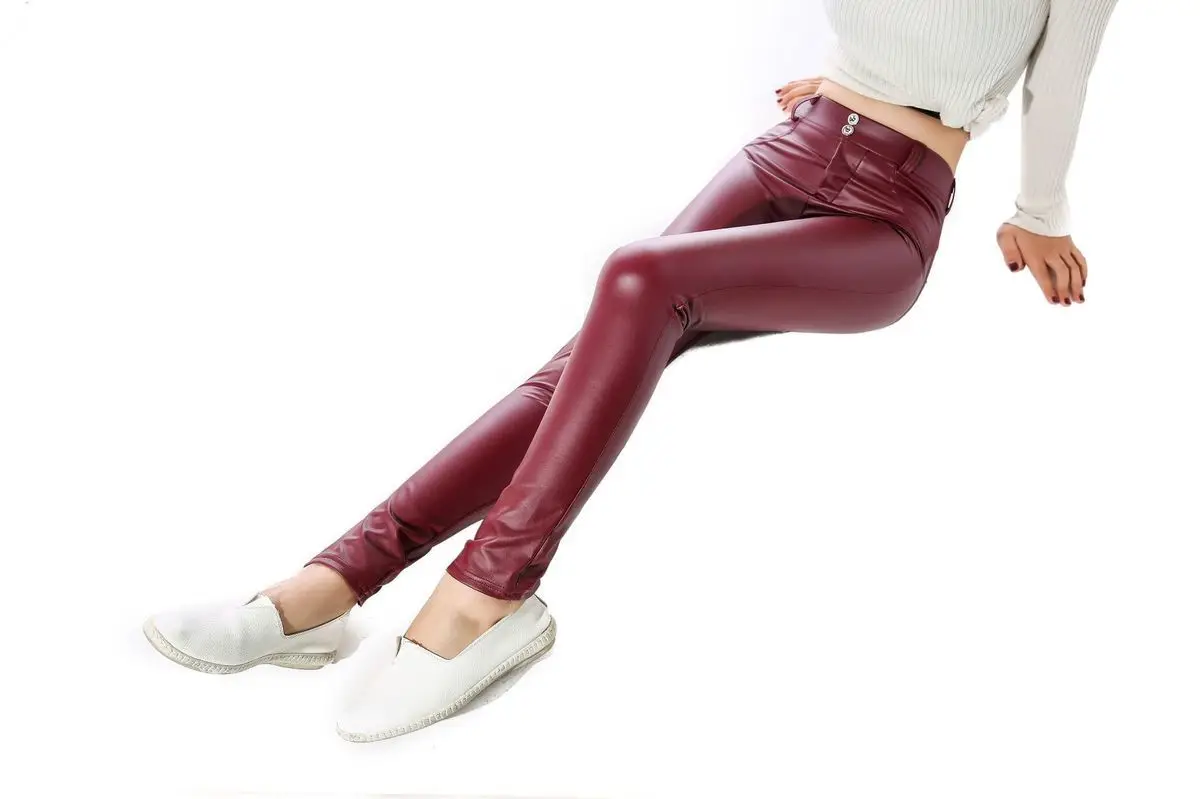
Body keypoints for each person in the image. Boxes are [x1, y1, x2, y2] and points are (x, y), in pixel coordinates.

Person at [144, 0, 1119, 742]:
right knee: (589, 355)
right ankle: (326, 589)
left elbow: (1060, 82)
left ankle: (488, 594)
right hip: (790, 149)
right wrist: (846, 85)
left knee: (640, 279)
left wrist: (1039, 214)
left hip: (888, 218)